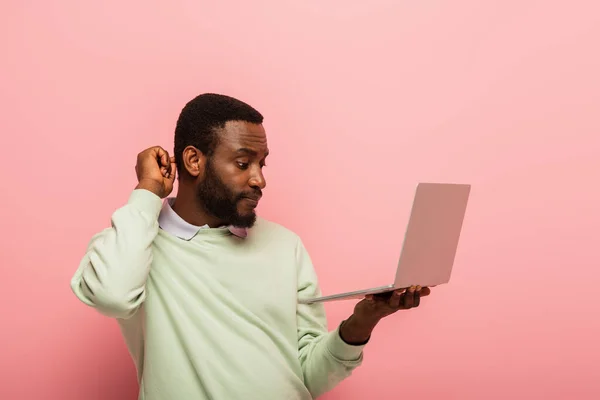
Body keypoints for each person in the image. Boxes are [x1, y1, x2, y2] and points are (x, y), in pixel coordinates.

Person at [70, 93, 431, 400]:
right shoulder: (133, 245)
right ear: (194, 161)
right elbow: (112, 296)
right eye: (243, 163)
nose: (259, 179)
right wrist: (148, 190)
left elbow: (309, 376)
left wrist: (361, 323)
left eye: (261, 164)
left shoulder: (285, 245)